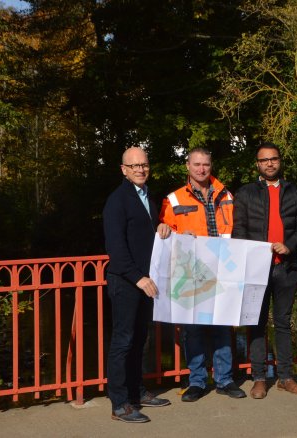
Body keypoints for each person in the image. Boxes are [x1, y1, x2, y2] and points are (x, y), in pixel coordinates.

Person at [159, 147, 246, 401]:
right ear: (187, 166)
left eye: (205, 164)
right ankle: (197, 381)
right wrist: (169, 231)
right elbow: (165, 232)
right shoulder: (173, 199)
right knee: (193, 329)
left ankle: (225, 380)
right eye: (196, 164)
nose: (201, 169)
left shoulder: (227, 195)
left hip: (223, 269)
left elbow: (238, 230)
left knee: (222, 327)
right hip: (191, 272)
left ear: (211, 165)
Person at [232, 142, 297, 399]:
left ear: (280, 161)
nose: (269, 163)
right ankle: (259, 379)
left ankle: (285, 377)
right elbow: (239, 229)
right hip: (256, 270)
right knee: (255, 324)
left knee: (282, 324)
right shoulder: (245, 193)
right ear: (257, 164)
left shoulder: (294, 191)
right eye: (264, 160)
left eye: (274, 159)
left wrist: (289, 246)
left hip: (286, 268)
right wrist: (250, 256)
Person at [102, 147, 172, 423]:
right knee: (123, 341)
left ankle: (137, 391)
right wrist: (138, 278)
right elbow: (116, 248)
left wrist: (161, 228)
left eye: (144, 164)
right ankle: (119, 404)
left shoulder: (146, 197)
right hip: (127, 282)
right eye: (134, 166)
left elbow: (144, 235)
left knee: (140, 339)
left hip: (146, 282)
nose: (140, 169)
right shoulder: (117, 201)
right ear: (123, 170)